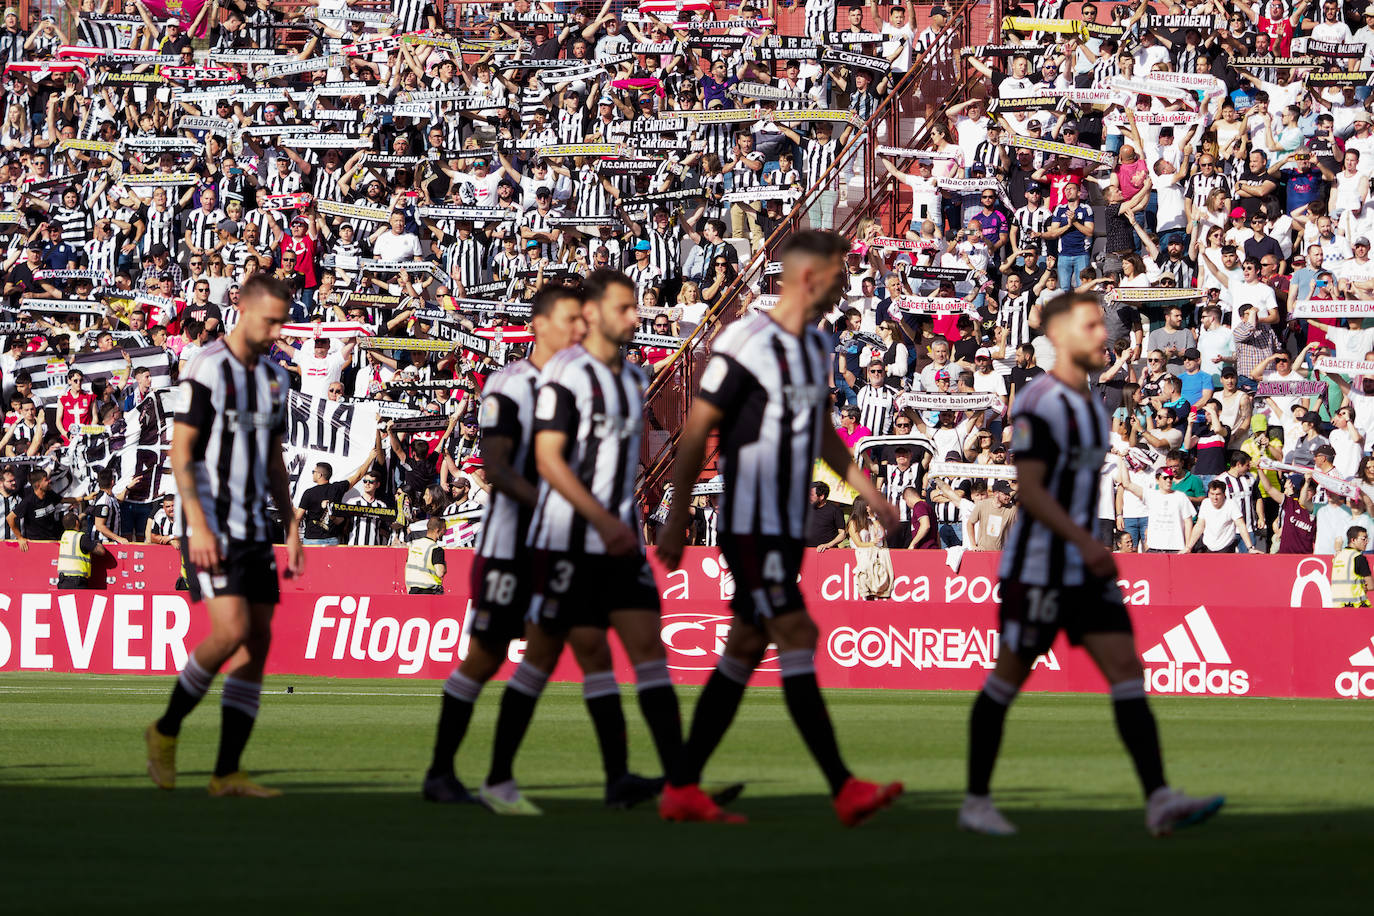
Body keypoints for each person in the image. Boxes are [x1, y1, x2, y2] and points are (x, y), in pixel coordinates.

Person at [657, 229, 904, 826]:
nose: (848, 281)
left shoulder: (811, 349)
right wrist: (677, 516)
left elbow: (819, 432)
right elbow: (698, 430)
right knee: (794, 636)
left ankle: (682, 787)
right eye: (841, 271)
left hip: (784, 523)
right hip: (751, 520)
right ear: (809, 276)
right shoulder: (748, 338)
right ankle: (843, 787)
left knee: (744, 648)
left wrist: (870, 490)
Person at [959, 290, 1223, 837]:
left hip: (1079, 563)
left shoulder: (1085, 402)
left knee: (1127, 672)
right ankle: (976, 801)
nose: (1104, 334)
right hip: (1039, 567)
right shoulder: (1039, 401)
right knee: (1008, 677)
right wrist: (1085, 544)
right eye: (1090, 327)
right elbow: (1030, 487)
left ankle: (1159, 799)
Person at [423, 282, 661, 810]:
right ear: (539, 325)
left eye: (584, 319)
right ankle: (442, 773)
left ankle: (616, 778)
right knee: (486, 658)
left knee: (591, 651)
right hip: (512, 544)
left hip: (565, 545)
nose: (580, 328)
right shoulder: (510, 384)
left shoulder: (588, 381)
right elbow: (499, 467)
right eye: (569, 319)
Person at [477, 270, 683, 816]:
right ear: (593, 314)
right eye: (625, 308)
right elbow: (547, 460)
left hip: (619, 544)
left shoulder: (632, 378)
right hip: (568, 540)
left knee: (647, 649)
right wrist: (600, 518)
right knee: (550, 655)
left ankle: (679, 786)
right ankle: (498, 779)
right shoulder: (565, 375)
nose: (636, 318)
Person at [144, 275, 304, 799]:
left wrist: (292, 524)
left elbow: (276, 459)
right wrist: (198, 520)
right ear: (244, 311)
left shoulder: (274, 381)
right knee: (230, 630)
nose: (277, 331)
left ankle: (226, 772)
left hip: (255, 524)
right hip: (209, 520)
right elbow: (182, 450)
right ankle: (166, 730)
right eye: (271, 321)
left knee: (257, 642)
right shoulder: (208, 367)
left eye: (282, 322)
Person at [56, 511, 105, 589]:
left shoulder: (64, 535)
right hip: (76, 582)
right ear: (77, 522)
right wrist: (96, 542)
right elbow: (101, 551)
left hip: (63, 581)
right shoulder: (81, 537)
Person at [404, 516, 448, 595]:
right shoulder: (435, 548)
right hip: (430, 591)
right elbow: (440, 572)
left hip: (413, 590)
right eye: (444, 530)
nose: (445, 532)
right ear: (437, 530)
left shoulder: (414, 545)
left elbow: (407, 566)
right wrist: (445, 565)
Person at [1331, 526, 1371, 607]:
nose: (1366, 542)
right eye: (1363, 539)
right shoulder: (1359, 558)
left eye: (1367, 539)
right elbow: (1370, 586)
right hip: (1356, 605)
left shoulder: (1338, 557)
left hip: (1337, 605)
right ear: (1353, 540)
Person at [805, 481, 848, 550]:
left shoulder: (835, 510)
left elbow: (842, 534)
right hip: (807, 552)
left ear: (822, 496)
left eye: (811, 495)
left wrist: (828, 545)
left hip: (826, 552)